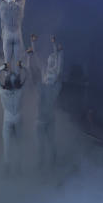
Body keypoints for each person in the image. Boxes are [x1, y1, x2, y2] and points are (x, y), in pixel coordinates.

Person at [0, 59, 29, 175]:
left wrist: (2, 68)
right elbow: (28, 76)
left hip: (8, 119)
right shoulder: (20, 91)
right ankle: (16, 168)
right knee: (18, 144)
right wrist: (22, 66)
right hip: (16, 118)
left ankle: (9, 168)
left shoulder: (3, 92)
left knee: (7, 146)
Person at [35, 35, 64, 170]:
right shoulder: (44, 76)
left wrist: (57, 49)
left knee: (50, 142)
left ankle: (53, 161)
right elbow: (37, 62)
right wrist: (33, 44)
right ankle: (42, 164)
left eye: (53, 60)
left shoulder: (54, 81)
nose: (50, 63)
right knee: (41, 144)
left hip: (48, 118)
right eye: (49, 60)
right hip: (41, 119)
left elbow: (59, 67)